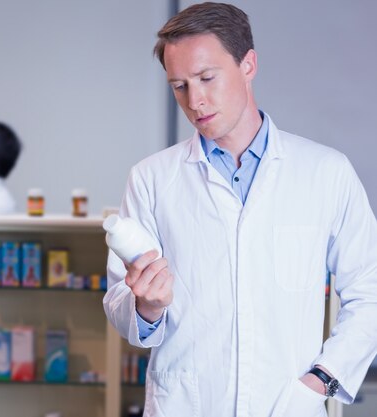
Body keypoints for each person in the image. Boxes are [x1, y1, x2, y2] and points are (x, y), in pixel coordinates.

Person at [103, 3, 377, 417]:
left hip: (286, 405)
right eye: (179, 86)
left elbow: (370, 292)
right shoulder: (151, 179)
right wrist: (147, 308)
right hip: (185, 405)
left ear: (248, 65)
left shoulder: (326, 172)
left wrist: (320, 380)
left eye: (206, 78)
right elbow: (121, 306)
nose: (195, 100)